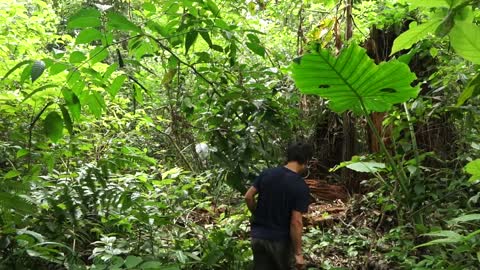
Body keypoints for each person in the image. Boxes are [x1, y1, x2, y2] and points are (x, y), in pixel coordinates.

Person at [244, 142, 313, 270]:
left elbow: (248, 197)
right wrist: (298, 253)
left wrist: (257, 213)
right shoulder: (300, 185)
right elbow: (296, 222)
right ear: (305, 160)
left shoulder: (267, 173)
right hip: (280, 241)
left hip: (258, 237)